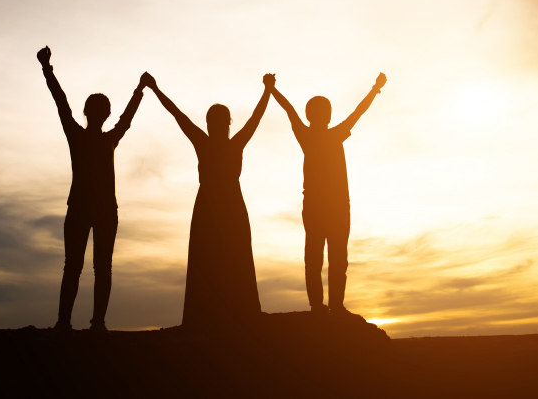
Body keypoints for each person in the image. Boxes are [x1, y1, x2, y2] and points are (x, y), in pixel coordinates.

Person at [141, 71, 274, 328]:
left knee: (230, 256)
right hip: (218, 207)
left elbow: (255, 118)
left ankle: (231, 312)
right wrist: (155, 90)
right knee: (213, 257)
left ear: (225, 124)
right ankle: (218, 312)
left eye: (221, 122)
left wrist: (268, 90)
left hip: (224, 206)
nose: (219, 126)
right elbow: (179, 116)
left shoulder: (219, 143)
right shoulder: (215, 143)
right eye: (217, 122)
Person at [37, 46, 145, 332]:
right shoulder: (101, 139)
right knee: (92, 267)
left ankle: (76, 322)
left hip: (95, 209)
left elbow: (62, 104)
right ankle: (85, 322)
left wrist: (47, 68)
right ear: (103, 114)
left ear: (91, 113)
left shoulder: (89, 137)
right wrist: (139, 90)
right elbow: (126, 120)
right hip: (93, 209)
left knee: (79, 267)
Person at [269, 73, 387, 315]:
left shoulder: (319, 134)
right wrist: (374, 88)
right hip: (327, 208)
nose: (326, 115)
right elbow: (357, 113)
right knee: (323, 258)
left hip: (332, 207)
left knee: (329, 258)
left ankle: (330, 305)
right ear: (319, 115)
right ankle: (322, 305)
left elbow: (290, 110)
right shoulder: (325, 135)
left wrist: (272, 89)